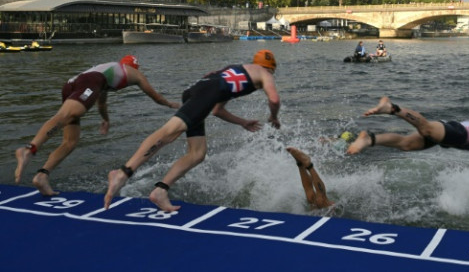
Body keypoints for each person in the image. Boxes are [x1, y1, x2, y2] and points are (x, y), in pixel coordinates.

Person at [104, 50, 281, 212]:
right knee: (169, 132)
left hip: (196, 90)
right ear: (271, 68)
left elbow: (217, 110)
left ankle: (160, 191)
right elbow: (274, 99)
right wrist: (274, 117)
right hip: (207, 93)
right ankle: (122, 173)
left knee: (197, 153)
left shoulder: (238, 70)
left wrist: (242, 122)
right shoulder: (265, 73)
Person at [14, 55, 179, 196]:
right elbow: (155, 96)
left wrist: (105, 120)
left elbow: (101, 103)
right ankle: (30, 149)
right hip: (87, 83)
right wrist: (171, 104)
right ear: (134, 67)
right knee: (66, 115)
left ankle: (42, 176)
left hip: (72, 84)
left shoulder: (108, 72)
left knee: (70, 141)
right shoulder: (133, 73)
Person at [347, 96, 469, 194]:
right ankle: (392, 108)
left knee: (406, 144)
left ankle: (369, 139)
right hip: (457, 131)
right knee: (426, 129)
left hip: (450, 138)